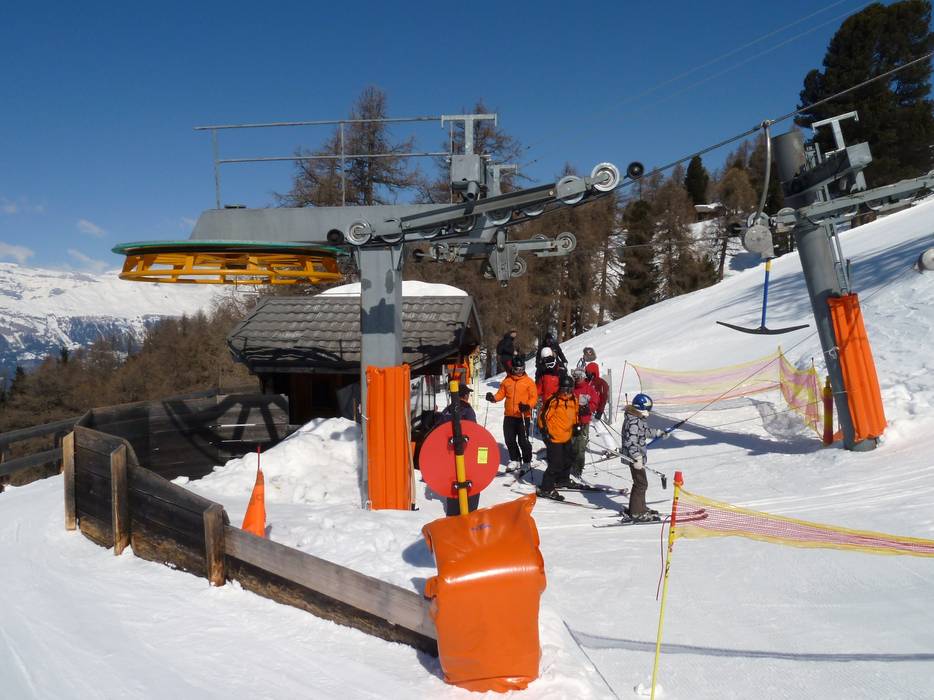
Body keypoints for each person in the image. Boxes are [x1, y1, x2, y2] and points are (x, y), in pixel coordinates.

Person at [621, 393, 667, 522]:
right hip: (634, 458)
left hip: (637, 457)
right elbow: (630, 442)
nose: (649, 411)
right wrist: (636, 457)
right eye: (648, 408)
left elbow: (644, 431)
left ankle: (639, 507)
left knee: (640, 483)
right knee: (641, 484)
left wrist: (658, 433)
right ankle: (636, 512)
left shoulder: (637, 418)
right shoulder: (633, 421)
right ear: (642, 407)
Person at [485, 360, 537, 472]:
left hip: (523, 416)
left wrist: (528, 406)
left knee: (523, 441)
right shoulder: (507, 381)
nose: (520, 372)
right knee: (509, 439)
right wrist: (493, 398)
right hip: (509, 415)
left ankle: (527, 461)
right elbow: (501, 394)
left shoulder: (529, 382)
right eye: (517, 369)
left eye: (522, 369)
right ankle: (515, 459)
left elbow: (534, 398)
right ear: (512, 369)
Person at [436, 385, 479, 516]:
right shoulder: (467, 410)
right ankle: (469, 513)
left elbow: (439, 431)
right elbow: (473, 431)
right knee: (470, 481)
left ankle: (453, 514)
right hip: (466, 453)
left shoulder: (447, 411)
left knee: (453, 481)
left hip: (449, 454)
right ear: (465, 396)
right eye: (468, 394)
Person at [535, 373, 579, 501]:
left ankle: (562, 480)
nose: (566, 392)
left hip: (566, 436)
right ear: (560, 388)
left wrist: (576, 425)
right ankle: (546, 488)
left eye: (569, 389)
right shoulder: (554, 401)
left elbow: (575, 414)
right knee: (556, 464)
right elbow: (542, 417)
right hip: (554, 437)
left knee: (568, 459)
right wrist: (544, 431)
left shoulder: (573, 399)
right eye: (564, 389)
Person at [571, 368, 600, 479]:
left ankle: (578, 468)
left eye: (579, 376)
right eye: (575, 376)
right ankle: (570, 465)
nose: (577, 378)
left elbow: (595, 402)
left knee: (580, 446)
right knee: (571, 445)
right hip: (571, 422)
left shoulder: (589, 389)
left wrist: (587, 408)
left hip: (583, 422)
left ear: (584, 377)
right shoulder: (571, 388)